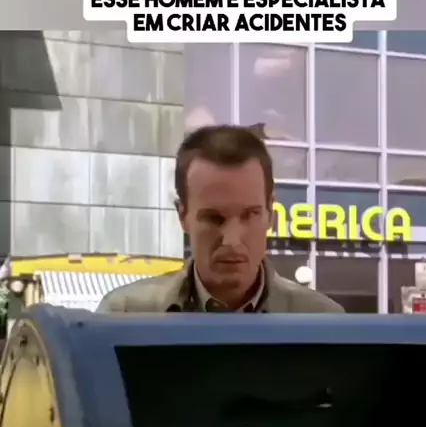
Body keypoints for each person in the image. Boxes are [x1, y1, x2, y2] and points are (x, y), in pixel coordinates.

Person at [96, 124, 344, 314]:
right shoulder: (124, 315)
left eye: (249, 215)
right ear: (183, 216)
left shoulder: (323, 322)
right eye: (213, 218)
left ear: (270, 213)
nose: (232, 241)